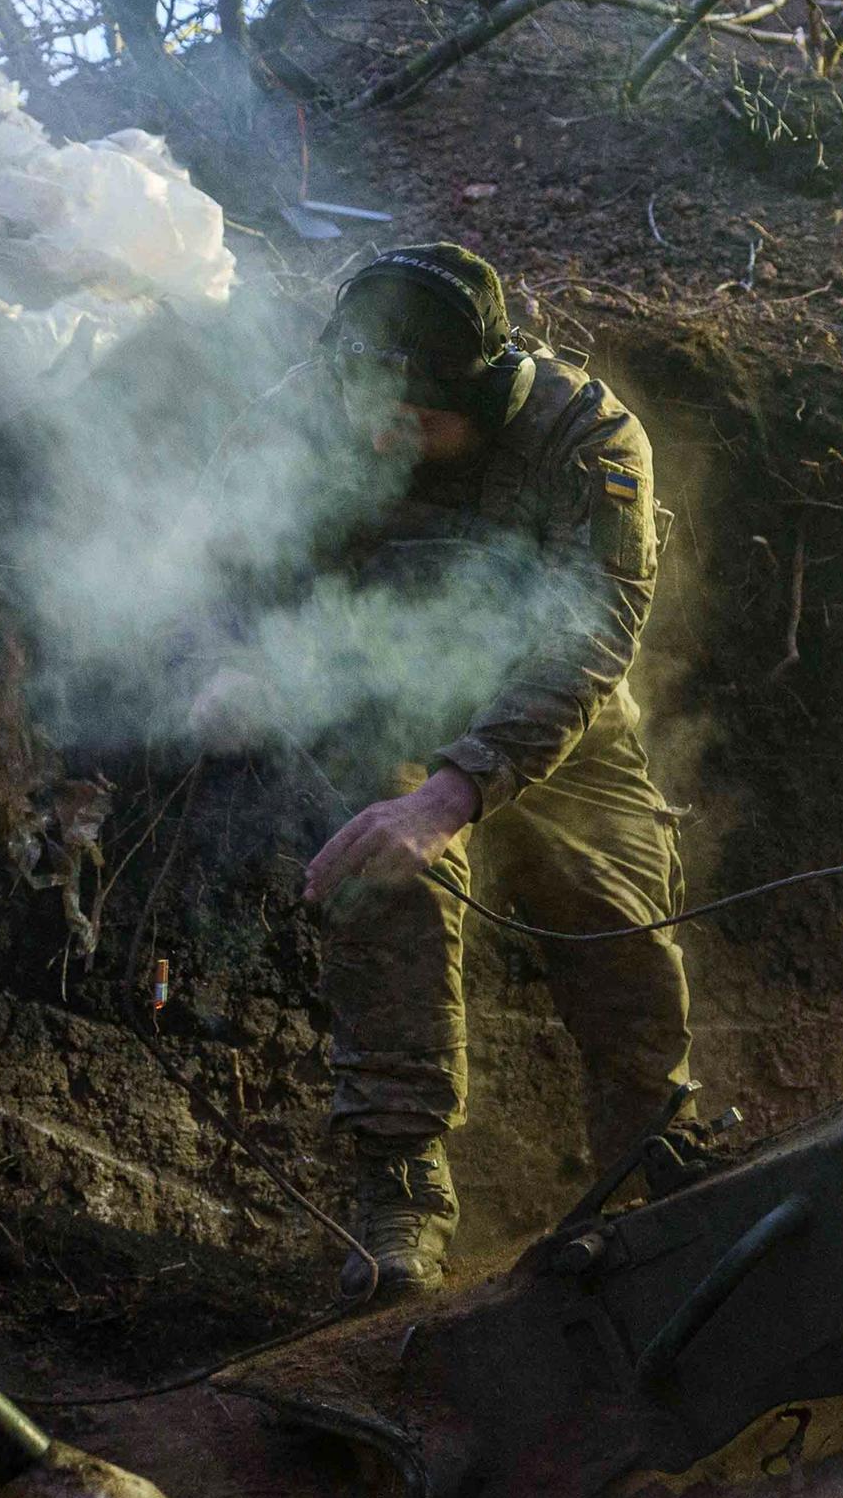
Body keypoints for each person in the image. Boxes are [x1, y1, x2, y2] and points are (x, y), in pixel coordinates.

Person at [243, 246, 707, 1302]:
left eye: (418, 422)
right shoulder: (301, 413)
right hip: (379, 702)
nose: (381, 439)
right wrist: (241, 664)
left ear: (486, 395)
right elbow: (233, 561)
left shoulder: (588, 438)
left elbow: (593, 637)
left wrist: (455, 793)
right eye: (367, 410)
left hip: (552, 717)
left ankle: (653, 1157)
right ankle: (399, 1186)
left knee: (618, 918)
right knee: (382, 868)